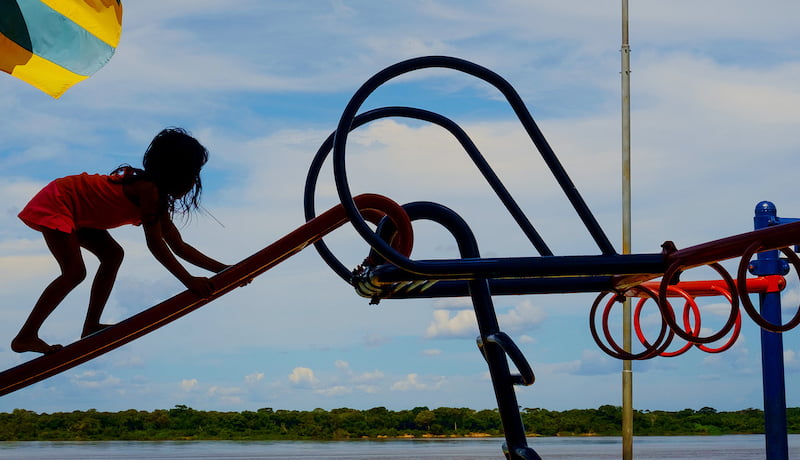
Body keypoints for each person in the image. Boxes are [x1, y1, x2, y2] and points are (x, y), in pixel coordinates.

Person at [12, 127, 229, 354]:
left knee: (113, 255)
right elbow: (156, 244)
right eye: (192, 173)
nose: (195, 180)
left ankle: (91, 326)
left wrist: (223, 270)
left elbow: (178, 245)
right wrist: (189, 281)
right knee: (74, 272)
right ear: (177, 172)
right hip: (59, 201)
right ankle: (26, 336)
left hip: (78, 211)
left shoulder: (157, 197)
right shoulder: (149, 191)